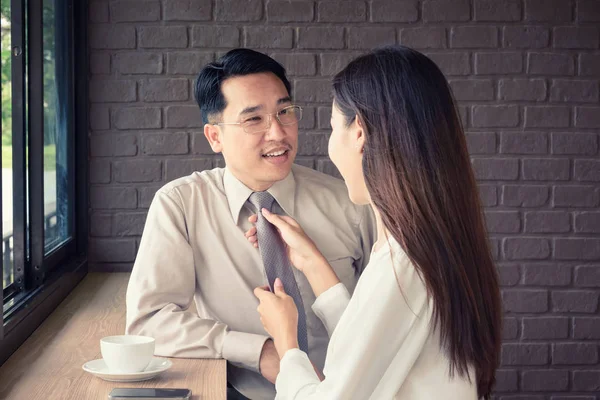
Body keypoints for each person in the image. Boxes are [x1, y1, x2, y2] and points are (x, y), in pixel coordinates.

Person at [251, 46, 502, 399]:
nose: (329, 145)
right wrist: (313, 263)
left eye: (332, 127)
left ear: (359, 133)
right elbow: (374, 347)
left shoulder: (403, 266)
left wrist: (287, 342)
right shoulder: (427, 248)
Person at [125, 49, 376, 400]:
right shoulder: (182, 205)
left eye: (285, 112)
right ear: (215, 137)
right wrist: (259, 352)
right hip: (241, 393)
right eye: (254, 120)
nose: (278, 132)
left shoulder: (351, 202)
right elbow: (148, 323)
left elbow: (381, 318)